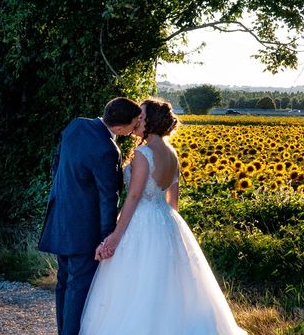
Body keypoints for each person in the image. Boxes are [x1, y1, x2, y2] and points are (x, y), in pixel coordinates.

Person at [79, 98, 246, 335]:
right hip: (167, 222)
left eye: (142, 116)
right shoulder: (172, 154)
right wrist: (167, 229)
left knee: (136, 287)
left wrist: (116, 235)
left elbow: (134, 197)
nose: (137, 120)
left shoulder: (143, 153)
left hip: (141, 220)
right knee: (167, 288)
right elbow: (173, 202)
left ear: (151, 121)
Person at [38, 97, 144, 335]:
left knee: (64, 283)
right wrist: (106, 238)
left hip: (60, 217)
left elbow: (56, 163)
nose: (134, 129)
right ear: (120, 127)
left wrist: (64, 192)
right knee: (79, 287)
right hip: (84, 228)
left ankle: (63, 331)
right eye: (133, 125)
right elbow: (109, 197)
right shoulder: (107, 149)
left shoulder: (76, 125)